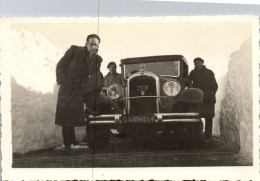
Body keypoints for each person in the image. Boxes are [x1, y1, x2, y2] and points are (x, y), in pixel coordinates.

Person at [55, 34, 103, 154]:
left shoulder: (97, 59)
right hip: (68, 86)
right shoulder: (74, 50)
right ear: (86, 43)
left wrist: (92, 58)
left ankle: (91, 104)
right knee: (66, 117)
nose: (94, 46)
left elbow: (93, 73)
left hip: (82, 88)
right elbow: (60, 65)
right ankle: (68, 145)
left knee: (99, 77)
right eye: (92, 43)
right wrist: (63, 81)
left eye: (96, 45)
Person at [188, 57, 218, 140]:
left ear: (202, 63)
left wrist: (212, 93)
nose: (197, 64)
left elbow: (215, 85)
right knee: (196, 117)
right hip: (197, 98)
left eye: (198, 62)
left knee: (208, 117)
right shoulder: (193, 72)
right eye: (195, 63)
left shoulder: (209, 72)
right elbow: (188, 80)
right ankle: (197, 136)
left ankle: (208, 137)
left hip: (208, 98)